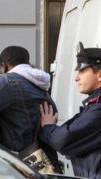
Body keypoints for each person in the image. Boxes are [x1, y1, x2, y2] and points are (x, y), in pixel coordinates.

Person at [39, 42, 101, 179]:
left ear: (100, 75)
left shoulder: (98, 108)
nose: (76, 77)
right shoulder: (93, 104)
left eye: (83, 71)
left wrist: (48, 127)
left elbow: (63, 139)